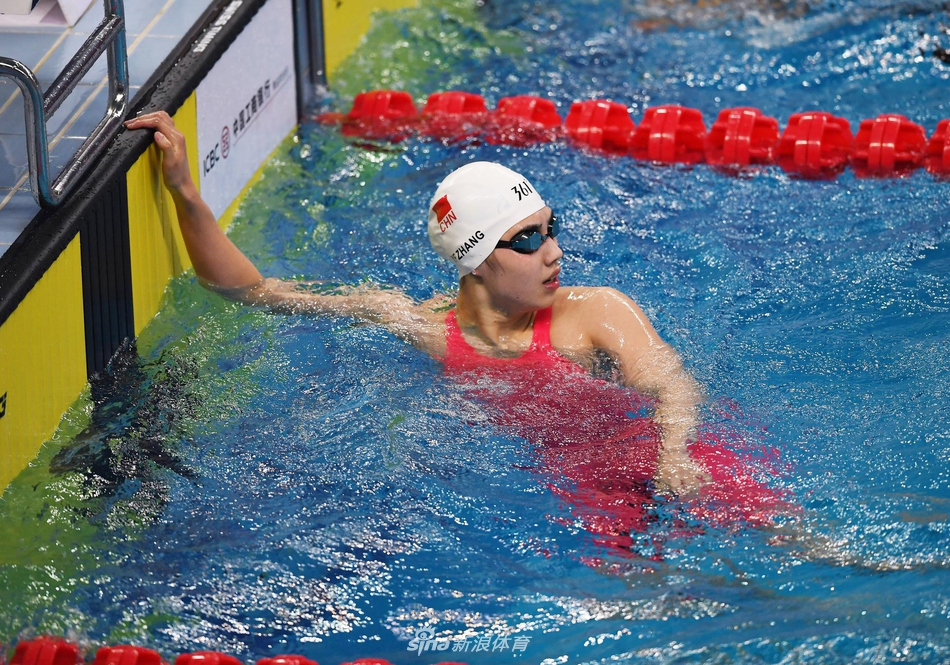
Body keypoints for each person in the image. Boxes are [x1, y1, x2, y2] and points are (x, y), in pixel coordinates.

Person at [124, 111, 710, 496]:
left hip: (666, 448)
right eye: (529, 239)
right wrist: (185, 192)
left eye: (551, 229)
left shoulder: (596, 311)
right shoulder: (422, 325)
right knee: (638, 593)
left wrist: (676, 452)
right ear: (476, 259)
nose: (554, 252)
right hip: (576, 477)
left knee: (787, 541)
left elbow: (670, 383)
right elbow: (255, 293)